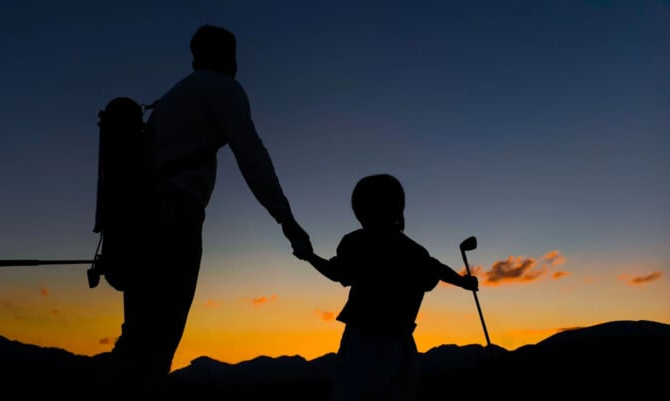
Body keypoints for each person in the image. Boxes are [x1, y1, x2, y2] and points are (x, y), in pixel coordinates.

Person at [110, 24, 313, 395]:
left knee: (139, 331)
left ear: (194, 57)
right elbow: (252, 154)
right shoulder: (222, 88)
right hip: (175, 214)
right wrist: (287, 221)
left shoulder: (172, 99)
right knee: (160, 334)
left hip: (137, 218)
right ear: (229, 57)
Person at [298, 173, 479, 401]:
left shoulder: (355, 243)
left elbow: (337, 273)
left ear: (361, 209)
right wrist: (464, 282)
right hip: (400, 345)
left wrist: (309, 257)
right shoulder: (414, 251)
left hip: (362, 341)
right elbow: (437, 269)